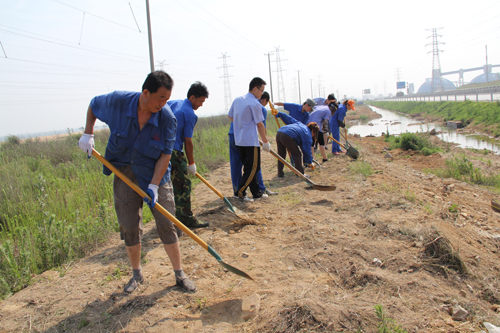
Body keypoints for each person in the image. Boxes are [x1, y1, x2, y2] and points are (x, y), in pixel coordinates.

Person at [77, 70, 197, 293]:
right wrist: (88, 133)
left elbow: (165, 154)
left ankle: (179, 274)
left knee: (167, 223)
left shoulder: (167, 118)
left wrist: (153, 185)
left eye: (167, 99)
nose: (163, 103)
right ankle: (136, 274)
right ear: (145, 92)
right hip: (122, 170)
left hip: (155, 174)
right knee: (129, 225)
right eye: (160, 98)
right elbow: (93, 105)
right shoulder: (118, 103)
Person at [167, 82, 210, 229]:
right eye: (200, 101)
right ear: (192, 97)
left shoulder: (175, 103)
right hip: (174, 152)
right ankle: (186, 220)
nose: (201, 105)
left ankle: (172, 217)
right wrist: (191, 163)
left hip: (162, 149)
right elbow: (188, 142)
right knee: (183, 186)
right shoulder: (190, 114)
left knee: (169, 185)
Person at [228, 77, 271, 202]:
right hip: (250, 142)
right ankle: (240, 193)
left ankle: (257, 193)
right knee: (252, 168)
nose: (262, 93)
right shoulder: (255, 104)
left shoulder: (238, 100)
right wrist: (266, 142)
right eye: (262, 90)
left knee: (252, 168)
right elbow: (260, 124)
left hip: (239, 140)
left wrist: (241, 125)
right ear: (255, 88)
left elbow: (230, 116)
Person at [273, 111, 319, 178]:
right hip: (288, 135)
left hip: (280, 132)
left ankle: (280, 174)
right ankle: (300, 174)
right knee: (297, 155)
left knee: (281, 155)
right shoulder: (308, 135)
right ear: (313, 130)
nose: (313, 136)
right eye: (315, 134)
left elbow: (290, 119)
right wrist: (309, 162)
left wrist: (280, 113)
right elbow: (306, 151)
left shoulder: (300, 124)